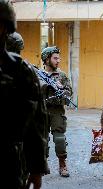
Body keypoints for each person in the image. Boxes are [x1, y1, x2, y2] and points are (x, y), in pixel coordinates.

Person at [0, 0, 48, 188]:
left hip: (8, 162)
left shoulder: (20, 70)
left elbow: (36, 122)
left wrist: (36, 168)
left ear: (5, 28)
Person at [40, 46, 73, 177]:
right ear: (47, 59)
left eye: (59, 58)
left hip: (57, 110)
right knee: (42, 139)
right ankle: (43, 163)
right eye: (55, 58)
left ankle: (62, 164)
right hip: (41, 110)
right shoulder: (37, 74)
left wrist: (62, 90)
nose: (58, 60)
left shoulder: (62, 75)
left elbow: (70, 94)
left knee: (59, 138)